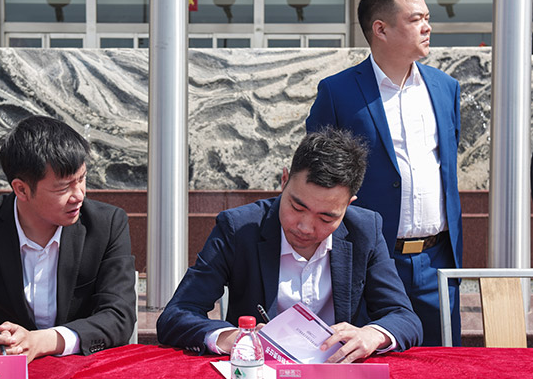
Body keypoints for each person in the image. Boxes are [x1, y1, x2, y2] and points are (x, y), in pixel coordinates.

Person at [157, 128, 422, 363]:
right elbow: (177, 315)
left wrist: (372, 335)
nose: (305, 227)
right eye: (297, 207)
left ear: (348, 205)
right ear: (284, 180)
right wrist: (233, 337)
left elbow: (403, 316)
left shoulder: (364, 230)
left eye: (326, 217)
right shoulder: (239, 228)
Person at [305, 0, 462, 346]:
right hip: (371, 262)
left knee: (442, 361)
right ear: (381, 29)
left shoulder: (446, 88)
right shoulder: (338, 92)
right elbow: (318, 176)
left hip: (437, 261)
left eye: (428, 18)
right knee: (369, 357)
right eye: (416, 19)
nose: (427, 27)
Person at [0, 115, 136, 362]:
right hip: (12, 367)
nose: (79, 195)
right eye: (63, 188)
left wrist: (42, 341)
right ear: (21, 189)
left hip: (86, 365)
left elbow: (119, 315)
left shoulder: (107, 224)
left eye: (82, 179)